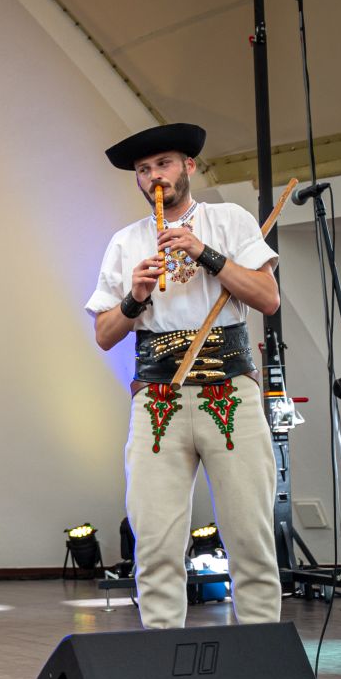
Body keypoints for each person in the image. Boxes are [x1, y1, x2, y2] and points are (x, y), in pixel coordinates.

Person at [87, 122, 282, 629]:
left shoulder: (228, 219)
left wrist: (205, 253)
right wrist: (135, 297)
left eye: (164, 164)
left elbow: (268, 298)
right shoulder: (126, 241)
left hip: (229, 390)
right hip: (157, 398)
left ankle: (259, 662)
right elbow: (105, 334)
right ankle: (162, 662)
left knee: (251, 539)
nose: (154, 176)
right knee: (154, 544)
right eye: (143, 169)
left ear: (188, 166)